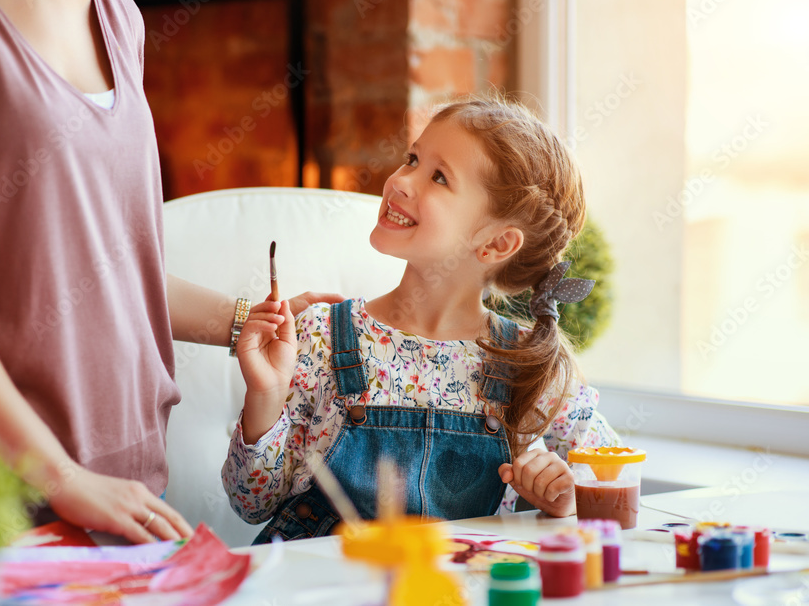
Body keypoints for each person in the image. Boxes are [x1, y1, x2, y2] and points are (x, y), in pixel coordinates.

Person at [0, 0, 338, 544]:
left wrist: (250, 322)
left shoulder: (118, 13)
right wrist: (62, 477)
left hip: (129, 490)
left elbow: (110, 267)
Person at [221, 96, 622, 543]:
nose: (402, 180)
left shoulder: (529, 367)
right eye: (412, 158)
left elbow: (613, 482)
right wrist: (265, 396)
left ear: (495, 244)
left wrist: (564, 498)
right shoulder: (319, 335)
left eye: (438, 176)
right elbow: (250, 505)